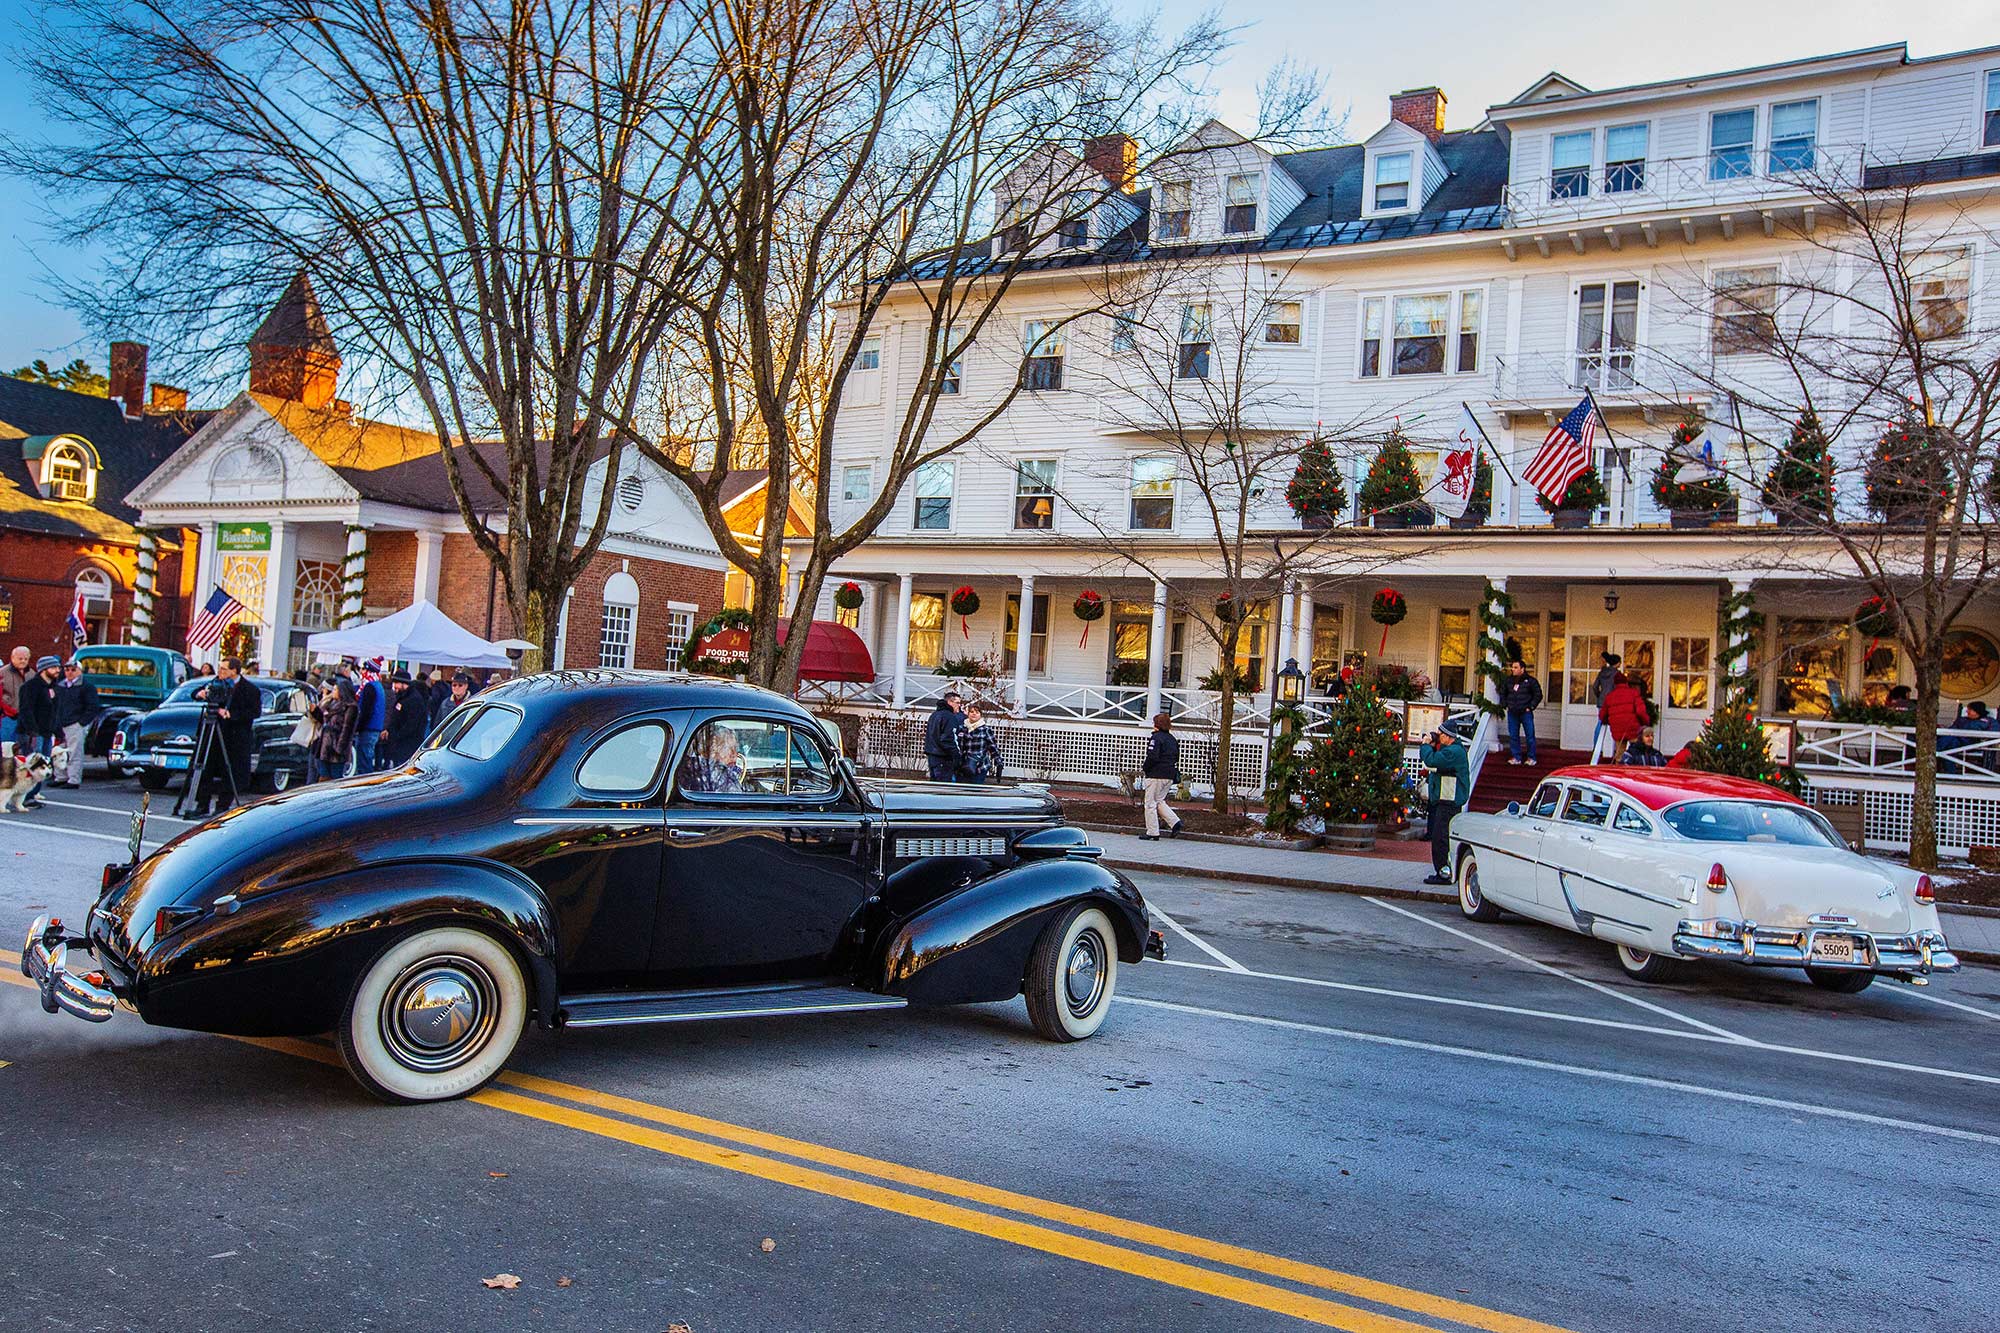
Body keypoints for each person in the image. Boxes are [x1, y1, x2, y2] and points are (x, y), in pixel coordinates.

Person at [191, 656, 260, 816]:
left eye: (224, 669)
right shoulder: (215, 682)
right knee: (206, 768)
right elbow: (194, 692)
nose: (220, 672)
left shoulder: (250, 689)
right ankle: (202, 805)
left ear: (234, 671)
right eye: (220, 668)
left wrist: (231, 714)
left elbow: (254, 712)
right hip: (212, 733)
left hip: (234, 737)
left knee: (230, 772)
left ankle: (222, 806)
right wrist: (200, 694)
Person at [1418, 726, 1470, 886]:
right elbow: (1436, 765)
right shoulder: (1453, 750)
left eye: (1441, 734)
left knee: (1440, 838)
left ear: (1449, 736)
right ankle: (1444, 870)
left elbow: (1431, 760)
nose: (1438, 737)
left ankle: (1443, 873)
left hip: (1448, 801)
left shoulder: (1453, 752)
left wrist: (1426, 745)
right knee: (1441, 836)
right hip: (1446, 799)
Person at [14, 656, 62, 809]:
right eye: (54, 667)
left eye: (58, 667)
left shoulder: (53, 688)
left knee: (44, 765)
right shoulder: (31, 687)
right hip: (32, 733)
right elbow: (26, 710)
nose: (57, 670)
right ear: (43, 669)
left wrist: (57, 730)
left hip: (47, 733)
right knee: (32, 765)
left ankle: (32, 795)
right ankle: (24, 797)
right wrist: (32, 731)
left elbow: (55, 712)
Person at [51, 658, 99, 789]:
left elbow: (93, 707)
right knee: (58, 752)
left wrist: (81, 723)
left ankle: (73, 779)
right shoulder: (60, 686)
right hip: (61, 724)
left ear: (80, 671)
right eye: (67, 669)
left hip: (75, 724)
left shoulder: (86, 687)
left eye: (73, 669)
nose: (70, 672)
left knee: (74, 753)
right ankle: (60, 776)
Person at [1140, 711, 1183, 840]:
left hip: (1156, 774)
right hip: (1169, 774)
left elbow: (1153, 757)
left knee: (1150, 803)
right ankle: (1175, 822)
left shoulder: (1156, 738)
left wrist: (1145, 768)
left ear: (1156, 724)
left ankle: (1153, 832)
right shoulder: (1172, 739)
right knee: (1159, 801)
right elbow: (1176, 757)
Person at [309, 678, 357, 782]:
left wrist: (339, 748)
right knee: (323, 777)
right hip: (325, 747)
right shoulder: (332, 704)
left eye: (335, 690)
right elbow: (324, 720)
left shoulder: (350, 707)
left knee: (335, 778)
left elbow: (347, 729)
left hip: (336, 748)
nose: (333, 692)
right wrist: (315, 712)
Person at [1599, 670, 1652, 764]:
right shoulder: (1633, 693)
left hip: (1617, 729)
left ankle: (1619, 774)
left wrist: (1608, 721)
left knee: (1619, 755)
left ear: (1615, 684)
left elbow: (1602, 715)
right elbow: (1641, 711)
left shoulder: (1609, 696)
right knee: (1637, 753)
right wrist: (1646, 722)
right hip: (1633, 728)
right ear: (1626, 682)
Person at [1499, 658, 1543, 766]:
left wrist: (1531, 706)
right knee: (1513, 735)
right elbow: (1503, 693)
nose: (1512, 670)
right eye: (1512, 667)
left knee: (1530, 735)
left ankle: (1531, 757)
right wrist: (1505, 704)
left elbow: (1538, 694)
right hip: (1512, 712)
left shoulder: (1531, 681)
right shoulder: (1508, 681)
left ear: (1522, 669)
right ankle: (1516, 757)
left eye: (1515, 667)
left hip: (1525, 712)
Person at [384, 670, 431, 767]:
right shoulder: (402, 697)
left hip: (407, 745)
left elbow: (411, 724)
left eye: (396, 683)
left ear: (404, 684)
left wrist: (397, 735)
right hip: (398, 744)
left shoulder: (414, 700)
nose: (394, 686)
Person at [681, 723, 744, 793]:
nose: (734, 754)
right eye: (727, 748)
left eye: (735, 748)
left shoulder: (697, 771)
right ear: (710, 751)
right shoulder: (718, 776)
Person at [922, 690, 965, 782]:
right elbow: (948, 739)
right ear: (949, 702)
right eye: (957, 703)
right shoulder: (949, 717)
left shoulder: (935, 714)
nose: (959, 706)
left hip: (932, 755)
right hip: (943, 757)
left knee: (935, 786)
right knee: (943, 788)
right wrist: (956, 756)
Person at [1587, 651, 1621, 761]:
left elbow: (1595, 687)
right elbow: (1618, 688)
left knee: (1600, 723)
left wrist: (1600, 696)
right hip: (1613, 702)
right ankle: (1617, 750)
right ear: (1617, 663)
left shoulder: (1602, 672)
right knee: (1615, 725)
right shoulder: (1617, 674)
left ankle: (1596, 747)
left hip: (1602, 702)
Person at [959, 703, 1004, 783]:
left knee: (975, 789)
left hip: (980, 765)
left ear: (980, 715)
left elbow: (993, 747)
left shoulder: (985, 729)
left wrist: (999, 763)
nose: (974, 714)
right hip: (964, 765)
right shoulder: (962, 728)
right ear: (968, 714)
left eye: (977, 712)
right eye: (972, 712)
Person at [354, 665, 388, 772]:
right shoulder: (379, 686)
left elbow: (366, 710)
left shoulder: (370, 686)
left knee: (364, 762)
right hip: (375, 728)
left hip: (368, 728)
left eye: (363, 669)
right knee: (368, 758)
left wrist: (358, 727)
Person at [1, 644, 30, 753]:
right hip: (6, 718)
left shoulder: (31, 674)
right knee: (6, 749)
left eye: (26, 659)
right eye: (20, 658)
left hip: (25, 719)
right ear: (12, 658)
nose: (23, 661)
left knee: (24, 749)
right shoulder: (2, 673)